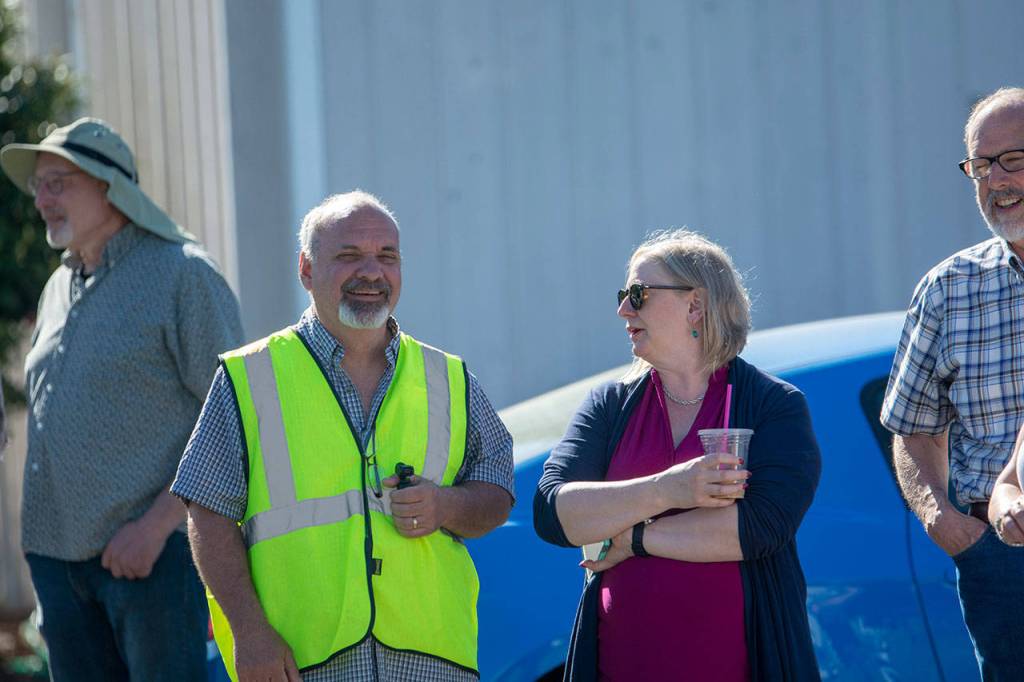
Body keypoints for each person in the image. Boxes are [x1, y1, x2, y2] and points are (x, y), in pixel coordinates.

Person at [172, 191, 515, 682]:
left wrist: (445, 507)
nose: (372, 272)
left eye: (387, 256)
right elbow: (207, 513)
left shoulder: (448, 376)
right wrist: (249, 632)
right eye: (349, 256)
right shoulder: (249, 376)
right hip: (300, 661)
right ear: (306, 270)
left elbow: (497, 492)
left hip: (432, 661)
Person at [0, 118, 243, 680]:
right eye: (38, 186)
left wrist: (157, 527)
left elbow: (234, 423)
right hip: (59, 569)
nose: (42, 201)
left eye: (57, 182)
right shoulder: (57, 285)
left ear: (110, 186)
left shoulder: (183, 276)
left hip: (153, 561)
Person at [533, 229, 821, 681]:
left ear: (695, 305)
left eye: (638, 294)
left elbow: (760, 528)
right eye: (624, 295)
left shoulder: (772, 404)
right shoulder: (610, 404)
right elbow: (555, 514)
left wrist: (632, 539)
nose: (623, 309)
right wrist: (670, 488)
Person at [880, 86, 1024, 679]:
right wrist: (942, 519)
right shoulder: (948, 289)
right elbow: (911, 429)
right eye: (979, 166)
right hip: (1001, 554)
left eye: (1011, 160)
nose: (995, 180)